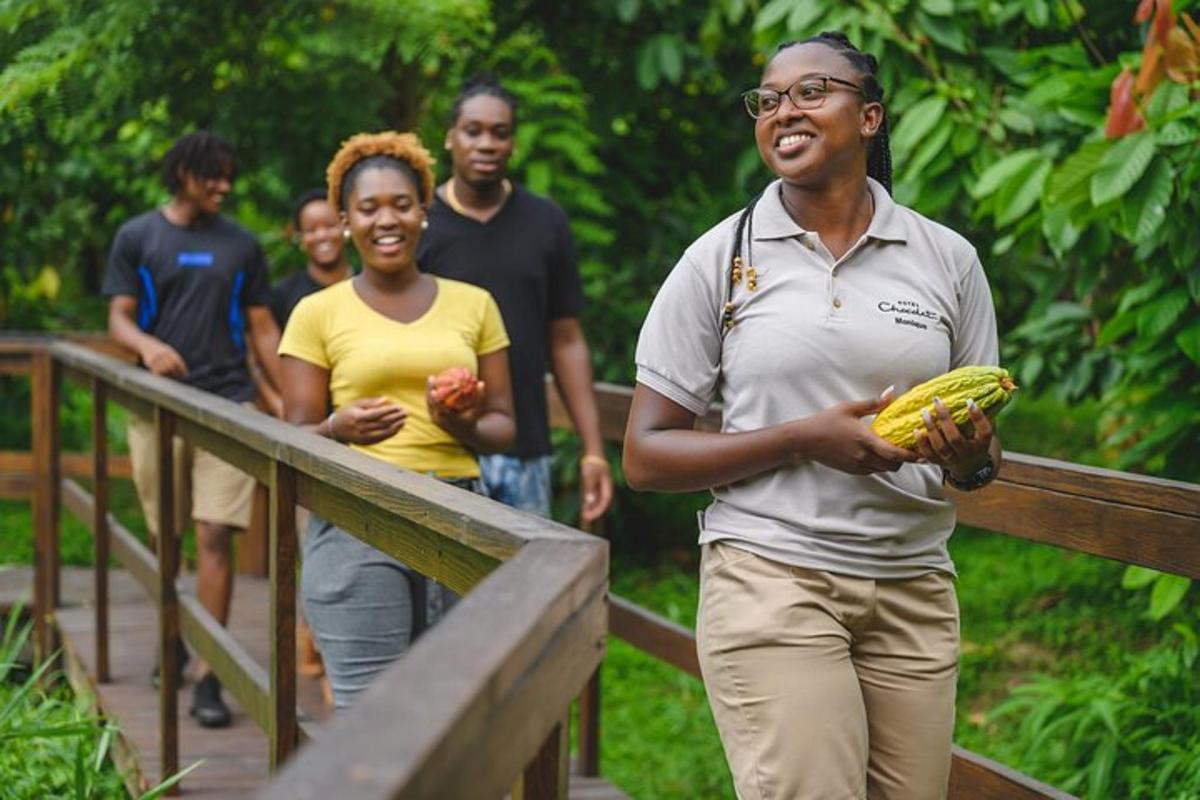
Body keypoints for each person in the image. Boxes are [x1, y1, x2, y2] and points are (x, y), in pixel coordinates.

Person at [622, 32, 1003, 800]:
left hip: (914, 587)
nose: (782, 111)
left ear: (869, 118)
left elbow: (984, 463)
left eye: (810, 92)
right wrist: (804, 438)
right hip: (772, 578)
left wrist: (965, 457)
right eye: (767, 100)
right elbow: (645, 454)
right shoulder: (718, 260)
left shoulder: (947, 260)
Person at [278, 131, 515, 711]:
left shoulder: (474, 303)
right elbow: (290, 438)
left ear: (424, 214)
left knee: (452, 712)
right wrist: (339, 429)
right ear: (343, 222)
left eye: (402, 204)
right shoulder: (316, 312)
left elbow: (505, 426)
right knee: (371, 713)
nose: (388, 220)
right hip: (359, 514)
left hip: (461, 514)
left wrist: (455, 422)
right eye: (369, 208)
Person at [102, 130, 285, 728]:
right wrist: (149, 348)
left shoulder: (242, 245)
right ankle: (172, 638)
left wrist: (288, 399)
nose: (225, 187)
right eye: (213, 176)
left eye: (229, 176)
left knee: (214, 536)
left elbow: (262, 329)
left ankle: (209, 674)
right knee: (168, 537)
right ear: (182, 173)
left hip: (229, 408)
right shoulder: (138, 236)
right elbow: (119, 319)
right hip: (158, 408)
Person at [418, 75, 613, 524]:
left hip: (525, 451)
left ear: (513, 144)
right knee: (442, 593)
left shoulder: (545, 221)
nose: (486, 143)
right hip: (438, 448)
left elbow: (566, 339)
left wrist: (593, 450)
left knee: (524, 589)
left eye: (500, 133)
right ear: (450, 137)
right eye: (473, 131)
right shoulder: (419, 223)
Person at [268, 188, 353, 686]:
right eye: (312, 228)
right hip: (312, 435)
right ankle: (312, 643)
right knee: (312, 541)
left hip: (372, 442)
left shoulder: (371, 284)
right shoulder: (287, 295)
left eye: (330, 225)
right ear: (297, 237)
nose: (323, 236)